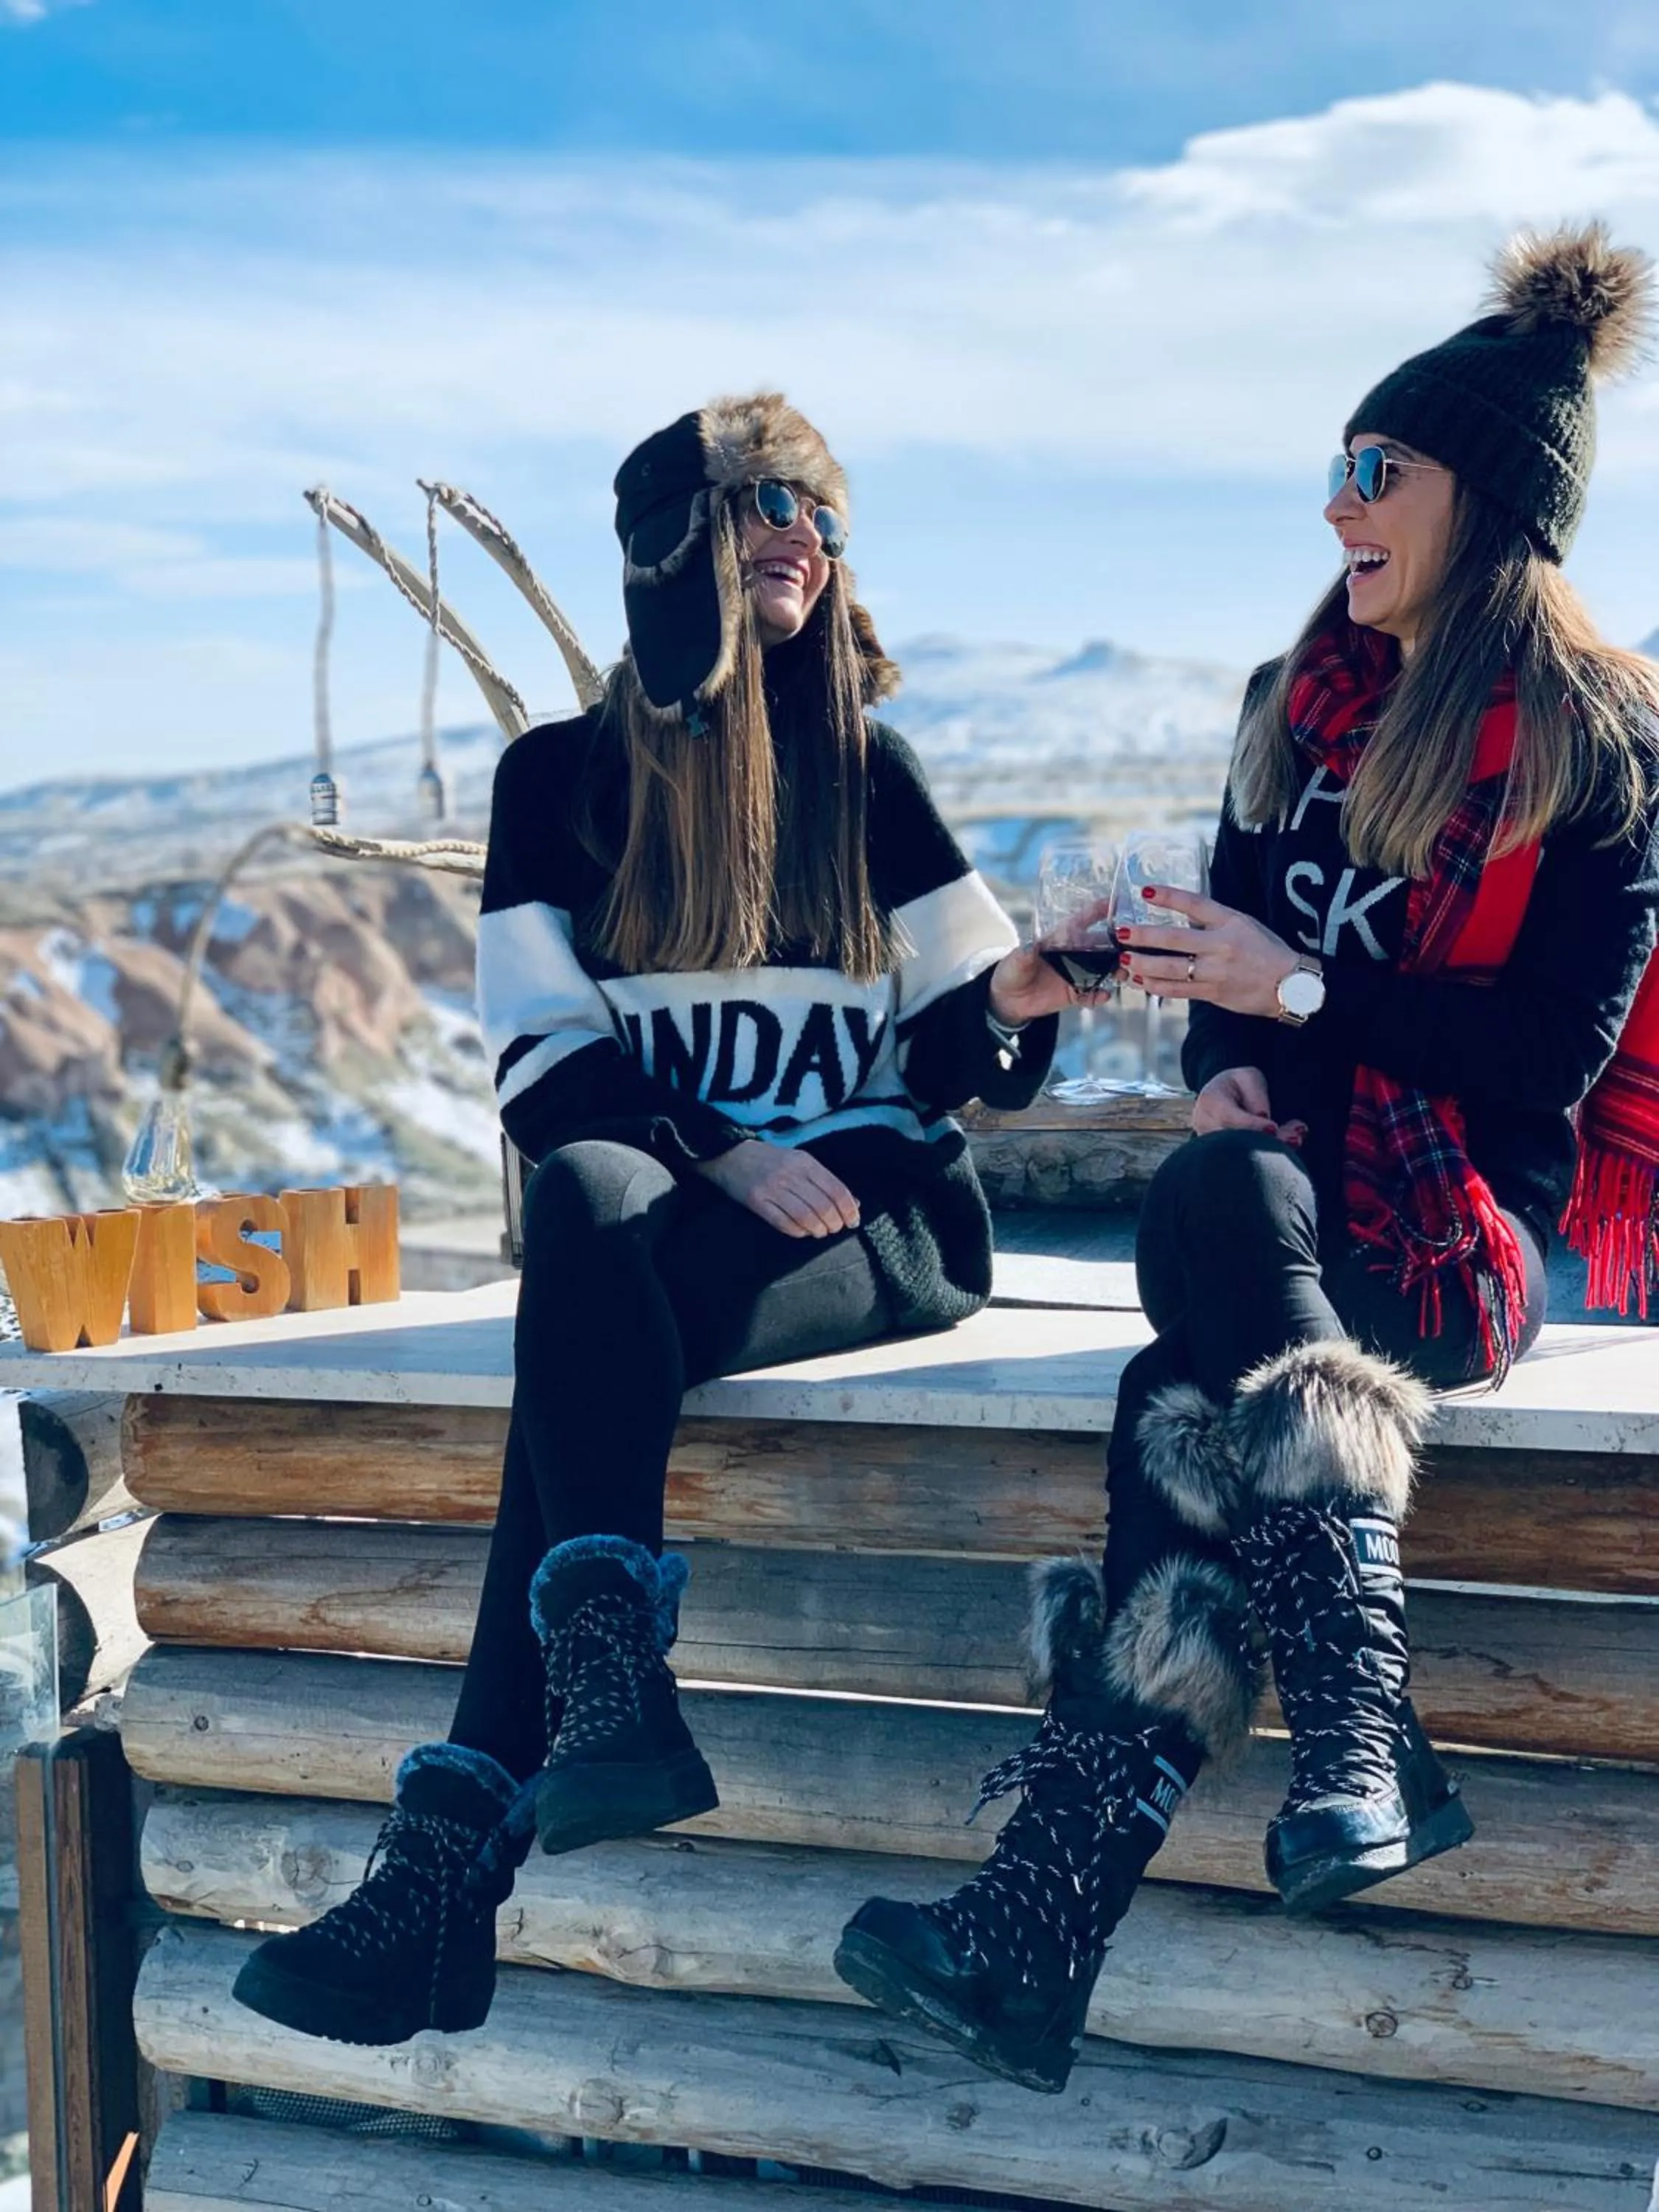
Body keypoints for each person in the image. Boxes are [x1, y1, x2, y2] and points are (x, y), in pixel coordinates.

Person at [837, 223, 1659, 2096]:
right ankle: (1356, 1747)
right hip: (1290, 1210)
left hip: (1467, 1236)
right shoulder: (1292, 716)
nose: (1335, 511)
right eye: (1336, 471)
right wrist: (1228, 1054)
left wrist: (1304, 994)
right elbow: (1238, 999)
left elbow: (1543, 1066)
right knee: (1215, 1194)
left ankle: (1047, 1918)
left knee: (1167, 1374)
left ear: (1494, 504)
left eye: (1378, 475)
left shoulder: (1603, 750)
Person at [232, 391, 1087, 2046]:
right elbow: (544, 1066)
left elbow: (960, 1053)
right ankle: (584, 1710)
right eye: (760, 501)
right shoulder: (561, 784)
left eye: (826, 515)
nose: (799, 535)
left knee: (585, 1339)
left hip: (883, 1224)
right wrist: (715, 1152)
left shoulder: (868, 772)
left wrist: (1023, 996)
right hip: (676, 1221)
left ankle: (452, 1857)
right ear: (665, 549)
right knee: (588, 1207)